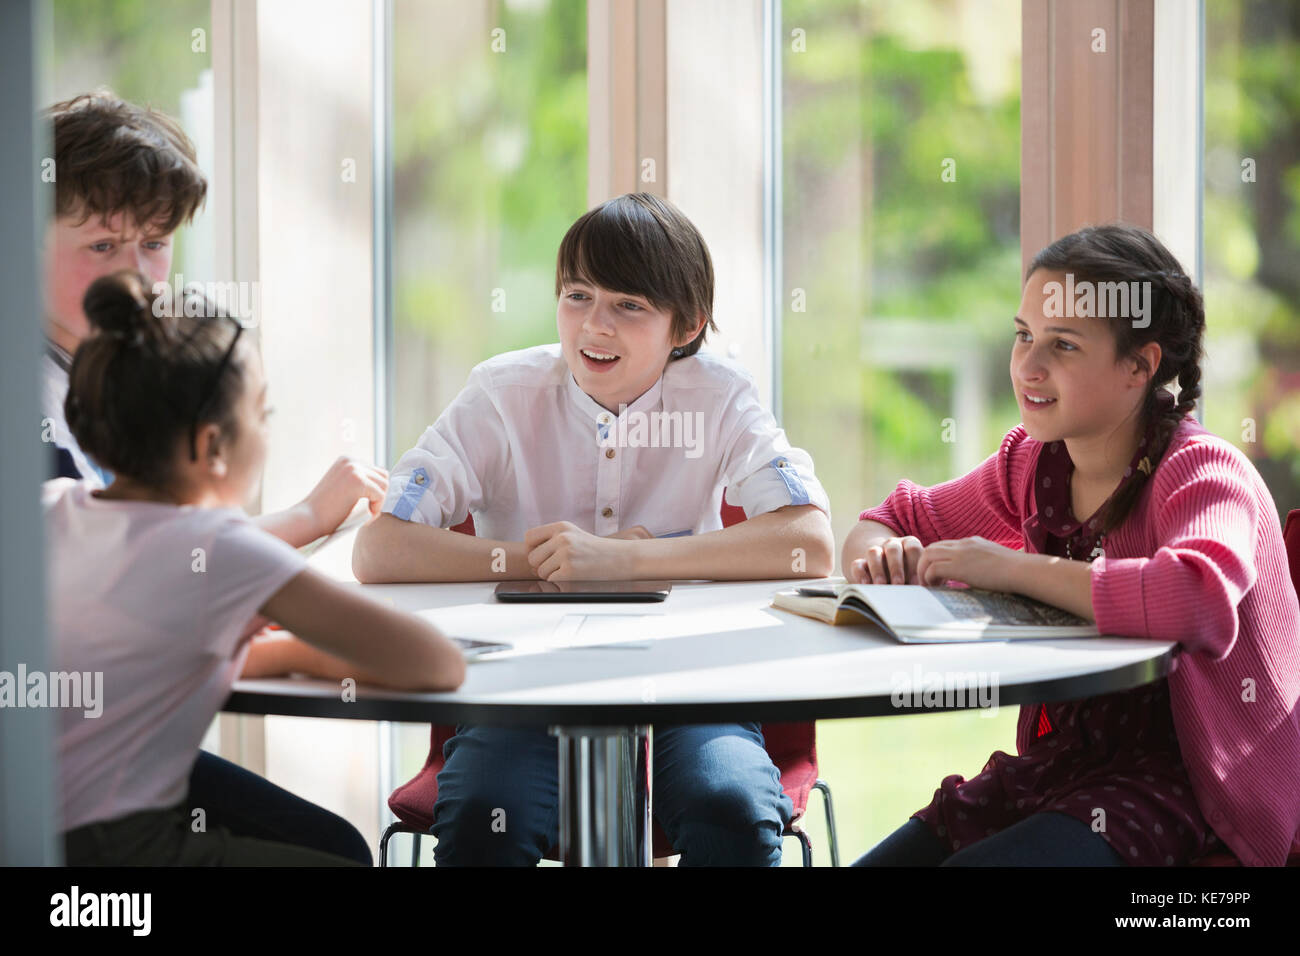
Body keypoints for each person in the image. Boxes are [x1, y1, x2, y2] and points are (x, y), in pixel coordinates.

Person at [353, 192, 835, 865]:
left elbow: (808, 545)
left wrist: (631, 564)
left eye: (629, 306)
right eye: (578, 296)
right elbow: (380, 549)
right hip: (523, 681)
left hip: (688, 676)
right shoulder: (502, 394)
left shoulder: (722, 396)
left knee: (726, 806)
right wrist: (546, 561)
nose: (594, 327)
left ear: (686, 324)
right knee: (487, 817)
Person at [844, 223, 1300, 866]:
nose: (1029, 366)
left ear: (1139, 366)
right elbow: (889, 515)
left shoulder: (1203, 474)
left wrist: (1014, 569)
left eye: (1062, 345)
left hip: (1198, 789)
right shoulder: (1032, 463)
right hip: (1068, 767)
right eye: (1024, 335)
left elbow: (1194, 598)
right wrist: (877, 557)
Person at [42, 90, 394, 862]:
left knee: (332, 842)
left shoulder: (110, 374)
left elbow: (152, 553)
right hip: (63, 780)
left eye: (157, 245)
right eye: (102, 247)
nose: (136, 276)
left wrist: (297, 527)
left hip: (93, 750)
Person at [48, 271, 466, 865]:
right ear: (213, 444)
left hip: (29, 825)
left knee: (333, 845)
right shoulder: (219, 548)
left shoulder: (52, 505)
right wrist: (309, 648)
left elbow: (126, 653)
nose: (268, 430)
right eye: (262, 413)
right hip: (119, 854)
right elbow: (437, 663)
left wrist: (291, 652)